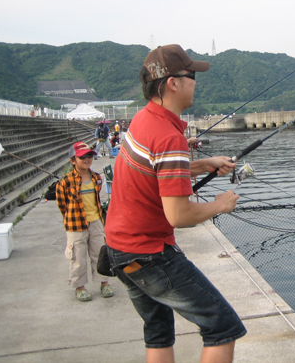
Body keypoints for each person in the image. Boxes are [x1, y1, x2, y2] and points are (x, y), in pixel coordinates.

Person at [105, 44, 246, 363]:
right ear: (172, 83)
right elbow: (179, 215)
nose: (195, 83)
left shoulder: (143, 121)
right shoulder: (169, 137)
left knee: (158, 332)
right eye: (192, 76)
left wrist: (204, 163)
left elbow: (154, 170)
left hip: (120, 249)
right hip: (148, 253)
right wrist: (221, 204)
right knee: (222, 327)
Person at [56, 142, 114, 302]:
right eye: (82, 157)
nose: (87, 159)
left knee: (100, 254)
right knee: (78, 257)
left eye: (89, 156)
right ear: (72, 161)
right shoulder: (66, 181)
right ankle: (79, 287)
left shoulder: (96, 178)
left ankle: (104, 283)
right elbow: (62, 204)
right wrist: (71, 218)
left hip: (96, 222)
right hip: (75, 226)